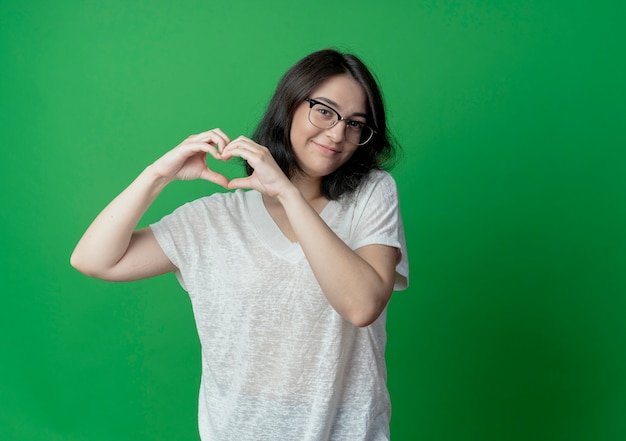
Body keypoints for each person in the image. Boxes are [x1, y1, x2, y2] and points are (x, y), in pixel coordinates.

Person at [71, 48, 409, 441]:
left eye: (355, 124)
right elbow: (93, 260)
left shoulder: (371, 194)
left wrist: (286, 192)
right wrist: (157, 175)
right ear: (290, 105)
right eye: (324, 111)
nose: (337, 133)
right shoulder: (214, 219)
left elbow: (361, 305)